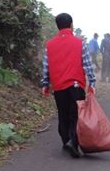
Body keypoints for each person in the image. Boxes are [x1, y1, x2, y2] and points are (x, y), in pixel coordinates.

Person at [41, 13, 96, 158]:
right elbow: (87, 64)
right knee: (75, 115)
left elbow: (46, 66)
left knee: (63, 114)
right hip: (76, 85)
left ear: (57, 26)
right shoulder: (79, 43)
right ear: (71, 25)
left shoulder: (49, 45)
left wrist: (45, 84)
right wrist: (92, 82)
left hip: (58, 86)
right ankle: (73, 141)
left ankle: (66, 140)